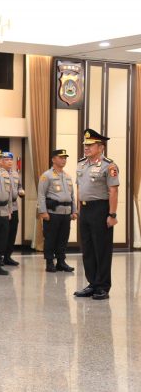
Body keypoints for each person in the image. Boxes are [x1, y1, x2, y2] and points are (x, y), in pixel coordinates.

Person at [74, 129, 119, 300]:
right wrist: (79, 209)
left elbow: (113, 191)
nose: (86, 147)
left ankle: (103, 286)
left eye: (90, 145)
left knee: (102, 249)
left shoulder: (109, 166)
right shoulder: (81, 164)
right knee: (87, 249)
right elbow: (80, 188)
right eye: (85, 145)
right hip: (85, 210)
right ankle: (92, 283)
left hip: (100, 209)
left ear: (101, 147)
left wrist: (112, 214)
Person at [37, 149, 76, 273]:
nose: (64, 160)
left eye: (65, 158)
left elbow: (72, 196)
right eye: (61, 157)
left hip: (65, 213)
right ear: (53, 159)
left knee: (63, 239)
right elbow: (41, 195)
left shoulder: (67, 176)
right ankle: (49, 262)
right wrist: (43, 212)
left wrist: (74, 211)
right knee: (50, 239)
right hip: (52, 213)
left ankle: (61, 262)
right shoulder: (46, 176)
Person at [1, 152, 24, 267]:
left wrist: (21, 191)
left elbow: (19, 186)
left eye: (11, 160)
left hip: (14, 207)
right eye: (6, 160)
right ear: (1, 161)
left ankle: (8, 256)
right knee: (2, 233)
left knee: (12, 232)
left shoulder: (15, 174)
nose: (9, 162)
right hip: (3, 207)